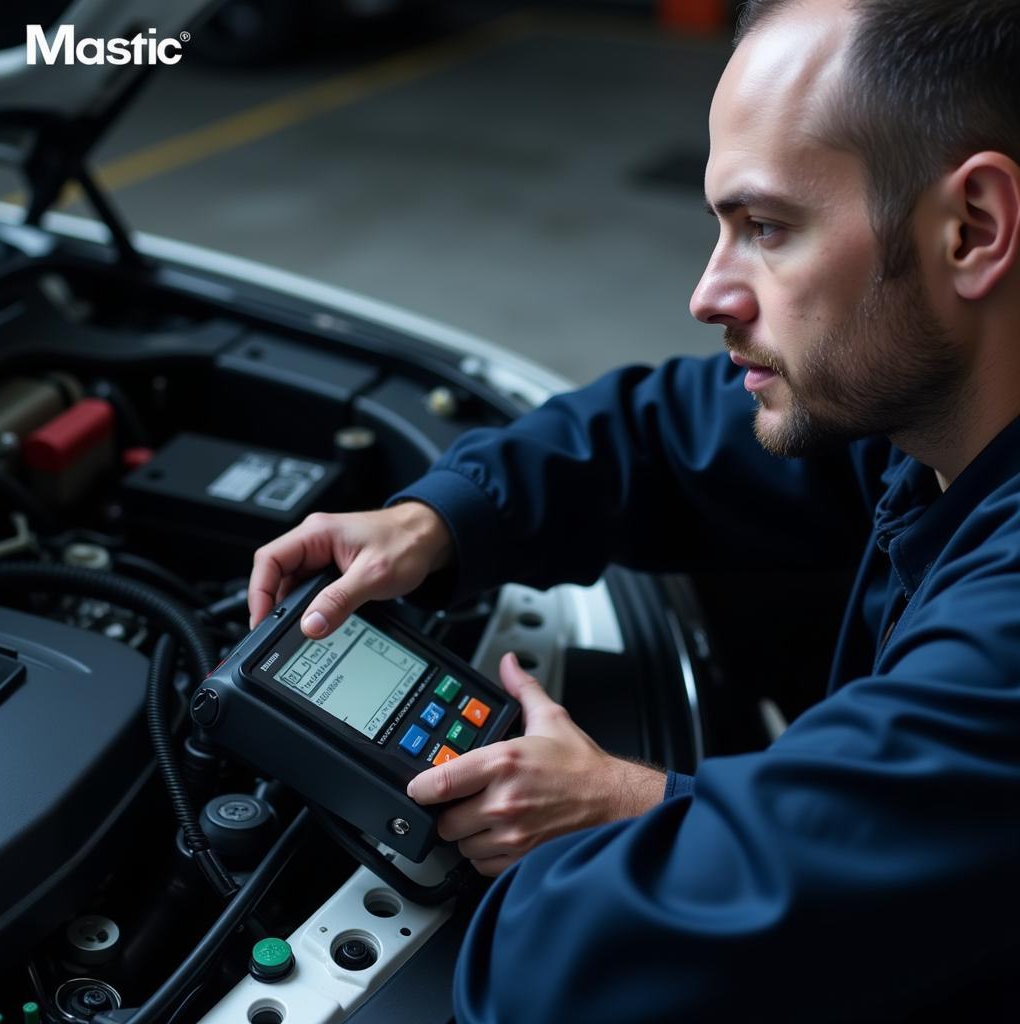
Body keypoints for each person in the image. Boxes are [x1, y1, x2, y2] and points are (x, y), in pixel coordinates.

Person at [248, 0, 1020, 1016]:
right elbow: (664, 430)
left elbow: (574, 965)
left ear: (970, 230)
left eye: (767, 228)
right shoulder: (924, 415)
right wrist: (440, 517)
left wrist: (626, 809)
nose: (708, 294)